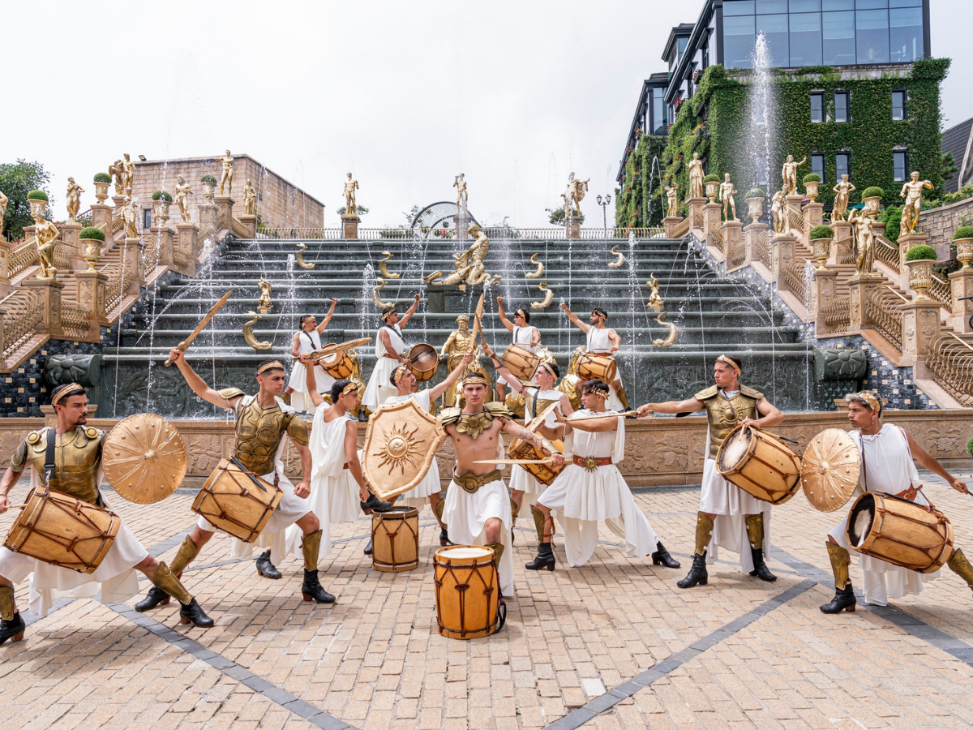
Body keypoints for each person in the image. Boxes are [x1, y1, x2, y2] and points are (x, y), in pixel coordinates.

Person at [0, 384, 213, 644]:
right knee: (1, 566)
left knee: (145, 562)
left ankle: (189, 604)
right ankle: (11, 621)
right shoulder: (36, 441)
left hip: (94, 519)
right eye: (77, 406)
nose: (85, 410)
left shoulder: (97, 438)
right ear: (59, 409)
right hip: (48, 522)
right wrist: (3, 493)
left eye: (85, 404)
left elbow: (129, 456)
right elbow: (14, 468)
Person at [133, 353, 335, 614]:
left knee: (311, 522)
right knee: (200, 534)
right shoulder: (241, 403)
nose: (281, 383)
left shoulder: (287, 415)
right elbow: (203, 390)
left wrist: (306, 480)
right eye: (275, 378)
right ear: (260, 379)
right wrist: (182, 363)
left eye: (282, 378)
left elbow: (304, 451)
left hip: (269, 481)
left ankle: (311, 582)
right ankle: (163, 587)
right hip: (235, 479)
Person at [637, 354, 784, 588]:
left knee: (752, 512)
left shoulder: (752, 397)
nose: (715, 374)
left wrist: (757, 422)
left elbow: (777, 415)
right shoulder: (709, 396)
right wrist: (652, 406)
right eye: (714, 370)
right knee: (707, 512)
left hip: (747, 464)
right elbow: (679, 406)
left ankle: (758, 563)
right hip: (718, 461)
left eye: (720, 371)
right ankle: (698, 568)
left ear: (735, 372)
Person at [820, 392, 973, 614]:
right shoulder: (849, 442)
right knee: (835, 538)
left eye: (856, 410)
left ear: (874, 413)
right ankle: (844, 594)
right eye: (849, 410)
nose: (850, 415)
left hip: (909, 503)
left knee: (941, 547)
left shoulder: (898, 433)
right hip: (876, 509)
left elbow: (924, 458)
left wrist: (950, 479)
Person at [524, 380, 679, 571]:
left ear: (599, 396)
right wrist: (540, 426)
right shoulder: (577, 416)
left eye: (586, 394)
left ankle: (658, 550)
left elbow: (592, 427)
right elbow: (555, 433)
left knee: (629, 513)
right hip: (576, 472)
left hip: (605, 473)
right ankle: (545, 554)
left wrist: (566, 420)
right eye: (582, 394)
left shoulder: (615, 417)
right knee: (541, 506)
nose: (582, 398)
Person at [439, 372, 565, 597]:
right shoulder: (450, 421)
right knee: (461, 541)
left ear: (486, 390)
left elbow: (527, 435)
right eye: (470, 389)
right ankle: (468, 586)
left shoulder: (498, 418)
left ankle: (492, 585)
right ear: (462, 391)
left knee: (493, 528)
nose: (474, 393)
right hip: (461, 488)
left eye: (479, 388)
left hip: (490, 486)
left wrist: (552, 451)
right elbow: (427, 447)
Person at [285, 365, 391, 567]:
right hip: (333, 477)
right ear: (342, 397)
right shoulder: (347, 424)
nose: (358, 400)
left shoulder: (321, 410)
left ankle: (368, 501)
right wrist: (363, 487)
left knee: (367, 455)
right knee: (306, 523)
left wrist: (309, 366)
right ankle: (270, 555)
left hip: (323, 475)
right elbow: (351, 461)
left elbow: (312, 389)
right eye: (355, 396)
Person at [481, 343, 573, 539]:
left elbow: (574, 420)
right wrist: (492, 355)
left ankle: (545, 539)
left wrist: (563, 423)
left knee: (549, 494)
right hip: (527, 446)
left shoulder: (560, 397)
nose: (536, 375)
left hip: (551, 449)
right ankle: (510, 530)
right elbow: (506, 374)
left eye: (540, 373)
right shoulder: (529, 391)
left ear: (550, 377)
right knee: (516, 492)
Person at [384, 351, 474, 546]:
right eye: (408, 375)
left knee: (435, 496)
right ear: (399, 382)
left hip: (423, 454)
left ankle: (445, 532)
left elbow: (447, 383)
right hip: (401, 456)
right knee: (391, 495)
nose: (413, 376)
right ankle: (377, 534)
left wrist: (463, 363)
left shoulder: (421, 397)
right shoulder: (389, 403)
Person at [560, 303, 630, 410]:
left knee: (617, 386)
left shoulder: (608, 331)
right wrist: (566, 309)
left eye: (593, 316)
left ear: (600, 318)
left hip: (606, 362)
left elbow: (617, 337)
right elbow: (575, 319)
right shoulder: (589, 329)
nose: (590, 318)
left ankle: (628, 408)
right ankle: (582, 407)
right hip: (591, 362)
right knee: (579, 384)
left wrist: (616, 345)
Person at [361, 295, 421, 415]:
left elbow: (408, 314)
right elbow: (388, 348)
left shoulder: (397, 327)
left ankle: (395, 411)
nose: (398, 316)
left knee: (397, 387)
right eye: (395, 315)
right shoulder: (383, 331)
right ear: (388, 317)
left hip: (397, 362)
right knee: (385, 388)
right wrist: (401, 360)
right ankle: (378, 412)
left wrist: (416, 302)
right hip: (387, 362)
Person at [285, 303, 338, 412]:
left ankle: (335, 406)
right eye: (313, 322)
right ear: (306, 324)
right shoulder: (298, 335)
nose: (316, 323)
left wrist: (333, 304)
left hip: (316, 365)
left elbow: (327, 318)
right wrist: (301, 355)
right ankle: (278, 405)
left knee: (333, 384)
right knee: (291, 388)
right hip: (302, 366)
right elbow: (293, 351)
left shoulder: (317, 331)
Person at [494, 296, 540, 402]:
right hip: (513, 363)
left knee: (528, 390)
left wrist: (535, 342)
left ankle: (534, 407)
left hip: (527, 365)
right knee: (499, 385)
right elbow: (503, 318)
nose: (514, 319)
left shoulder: (532, 329)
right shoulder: (515, 329)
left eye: (516, 317)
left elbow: (536, 335)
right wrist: (500, 304)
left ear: (523, 318)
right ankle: (502, 407)